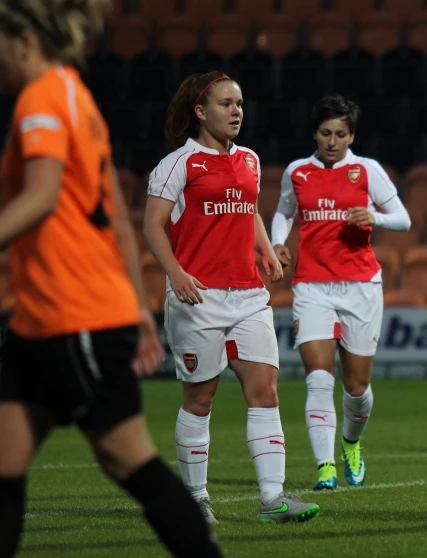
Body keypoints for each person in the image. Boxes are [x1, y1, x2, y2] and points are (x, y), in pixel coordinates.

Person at [0, 2, 222, 556]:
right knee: (4, 457)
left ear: (23, 41)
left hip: (71, 316)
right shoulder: (76, 96)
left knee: (128, 458)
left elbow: (42, 195)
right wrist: (140, 312)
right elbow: (118, 222)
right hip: (45, 319)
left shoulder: (42, 98)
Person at [144, 71, 319, 524]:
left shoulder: (250, 160)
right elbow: (151, 226)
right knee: (199, 400)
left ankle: (273, 499)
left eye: (239, 103)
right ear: (200, 112)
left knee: (264, 391)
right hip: (198, 297)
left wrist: (264, 249)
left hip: (248, 295)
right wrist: (177, 274)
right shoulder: (177, 164)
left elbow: (251, 211)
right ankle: (197, 499)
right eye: (226, 104)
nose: (236, 111)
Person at [270, 95, 411, 491]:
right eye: (325, 133)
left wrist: (375, 217)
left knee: (356, 388)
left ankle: (351, 442)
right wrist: (278, 242)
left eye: (341, 134)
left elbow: (403, 219)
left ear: (352, 135)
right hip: (312, 285)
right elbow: (283, 213)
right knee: (318, 377)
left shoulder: (367, 170)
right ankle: (325, 467)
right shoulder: (298, 172)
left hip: (361, 286)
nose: (332, 141)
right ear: (314, 134)